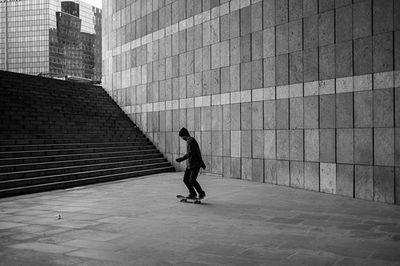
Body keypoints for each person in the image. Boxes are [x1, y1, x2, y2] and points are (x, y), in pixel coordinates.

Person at [175, 128, 206, 199]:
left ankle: (201, 193)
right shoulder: (190, 141)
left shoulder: (191, 141)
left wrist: (181, 159)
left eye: (182, 137)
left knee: (192, 180)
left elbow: (190, 153)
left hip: (195, 164)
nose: (182, 139)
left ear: (184, 135)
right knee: (186, 179)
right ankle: (193, 193)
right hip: (190, 164)